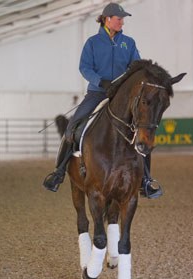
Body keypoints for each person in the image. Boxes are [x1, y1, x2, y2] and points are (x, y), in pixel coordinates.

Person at [43, 2, 162, 199]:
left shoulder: (128, 43)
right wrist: (101, 81)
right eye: (119, 19)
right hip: (97, 93)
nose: (122, 22)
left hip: (123, 96)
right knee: (72, 127)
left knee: (142, 131)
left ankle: (146, 180)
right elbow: (84, 68)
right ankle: (59, 172)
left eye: (123, 19)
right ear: (108, 19)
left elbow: (137, 66)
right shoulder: (92, 43)